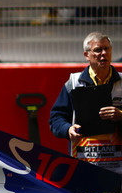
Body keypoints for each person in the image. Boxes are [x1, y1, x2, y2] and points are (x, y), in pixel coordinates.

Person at [49, 32, 122, 173]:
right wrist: (68, 129)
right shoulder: (74, 83)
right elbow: (55, 119)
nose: (104, 53)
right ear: (86, 55)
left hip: (118, 165)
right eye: (98, 50)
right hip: (84, 162)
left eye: (107, 49)